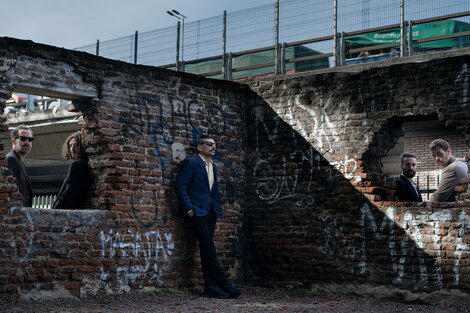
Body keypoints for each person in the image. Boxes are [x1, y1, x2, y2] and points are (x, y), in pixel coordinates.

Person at [174, 135, 242, 299]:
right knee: (209, 248)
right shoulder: (191, 163)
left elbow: (214, 191)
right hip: (196, 212)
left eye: (215, 144)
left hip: (210, 212)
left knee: (206, 249)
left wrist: (216, 208)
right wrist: (189, 209)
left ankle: (211, 287)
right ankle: (223, 284)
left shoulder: (213, 166)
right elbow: (180, 185)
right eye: (209, 144)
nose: (213, 147)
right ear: (200, 147)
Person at [52, 132, 92, 210]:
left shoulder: (77, 165)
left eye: (76, 145)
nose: (72, 149)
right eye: (70, 145)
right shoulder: (88, 163)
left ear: (82, 146)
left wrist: (55, 209)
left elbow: (69, 193)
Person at [5, 125, 34, 207]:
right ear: (14, 141)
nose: (27, 142)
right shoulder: (11, 159)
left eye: (30, 139)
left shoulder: (20, 161)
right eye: (23, 138)